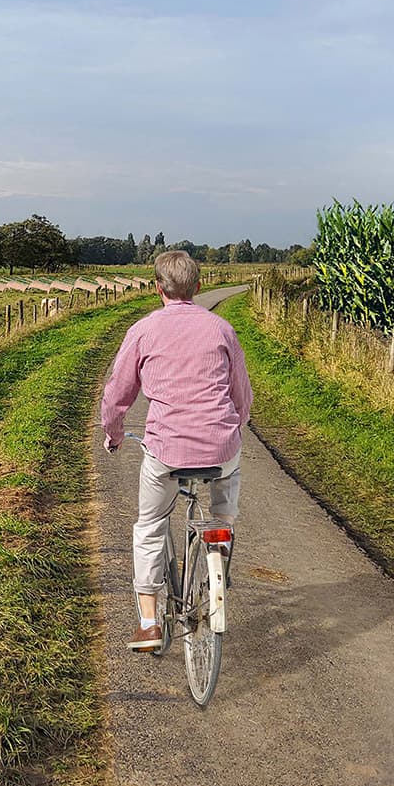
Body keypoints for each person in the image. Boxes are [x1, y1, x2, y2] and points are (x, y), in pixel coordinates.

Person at [102, 251, 252, 652]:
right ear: (198, 287)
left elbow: (118, 394)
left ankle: (149, 624)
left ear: (157, 288)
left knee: (150, 525)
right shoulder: (222, 329)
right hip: (221, 450)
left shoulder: (143, 330)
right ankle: (219, 556)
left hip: (166, 451)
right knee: (224, 505)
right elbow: (241, 395)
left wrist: (114, 433)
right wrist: (234, 428)